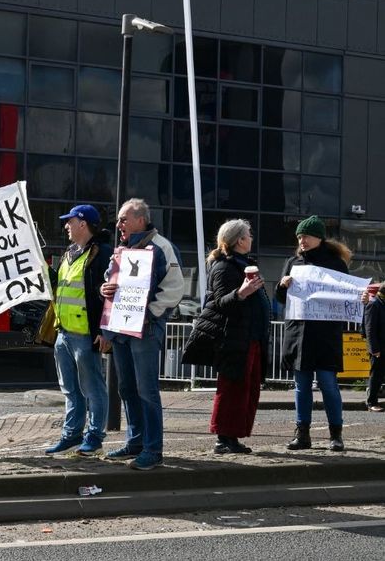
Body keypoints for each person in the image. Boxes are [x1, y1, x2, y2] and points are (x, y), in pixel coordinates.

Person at [100, 198, 183, 471]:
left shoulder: (162, 247)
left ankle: (153, 449)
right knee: (126, 388)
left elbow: (174, 288)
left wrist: (148, 313)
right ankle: (135, 441)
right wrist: (105, 289)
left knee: (146, 390)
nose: (118, 224)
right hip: (123, 328)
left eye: (123, 219)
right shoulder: (122, 249)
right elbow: (111, 281)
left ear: (140, 220)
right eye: (119, 220)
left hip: (145, 329)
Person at [185, 220, 270, 454]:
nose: (251, 238)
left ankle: (234, 436)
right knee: (233, 388)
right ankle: (224, 438)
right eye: (249, 234)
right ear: (240, 240)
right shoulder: (224, 267)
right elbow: (220, 303)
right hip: (234, 338)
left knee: (248, 389)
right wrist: (241, 293)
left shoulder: (245, 264)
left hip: (249, 337)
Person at [40, 205, 113, 456]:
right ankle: (71, 435)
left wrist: (104, 330)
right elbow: (61, 286)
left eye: (69, 222)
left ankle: (94, 437)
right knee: (70, 389)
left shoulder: (102, 253)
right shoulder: (70, 252)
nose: (66, 226)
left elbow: (109, 295)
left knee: (93, 388)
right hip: (64, 333)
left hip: (86, 334)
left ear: (83, 224)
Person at [275, 215, 350, 452]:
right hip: (299, 333)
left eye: (306, 235)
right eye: (299, 236)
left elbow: (346, 297)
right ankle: (302, 434)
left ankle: (335, 435)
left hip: (326, 334)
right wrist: (281, 286)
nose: (302, 240)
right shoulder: (292, 263)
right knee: (301, 385)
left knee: (329, 384)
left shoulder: (336, 263)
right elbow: (281, 300)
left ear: (318, 237)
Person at [362, 284, 384, 412]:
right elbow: (369, 329)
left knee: (380, 375)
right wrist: (374, 349)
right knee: (376, 375)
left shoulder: (381, 303)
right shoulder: (374, 304)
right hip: (378, 348)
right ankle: (371, 403)